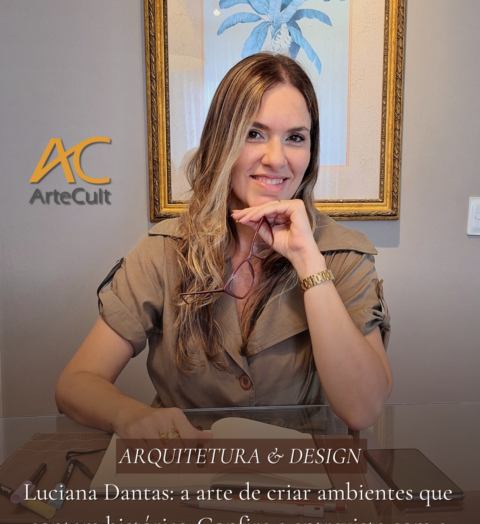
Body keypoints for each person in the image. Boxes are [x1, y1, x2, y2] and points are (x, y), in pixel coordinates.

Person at [55, 53, 392, 441]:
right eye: (254, 133)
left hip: (301, 472)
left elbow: (362, 409)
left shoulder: (344, 255)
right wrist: (127, 415)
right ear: (222, 141)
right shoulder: (163, 251)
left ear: (311, 152)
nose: (276, 159)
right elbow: (75, 383)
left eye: (295, 137)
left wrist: (308, 261)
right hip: (187, 468)